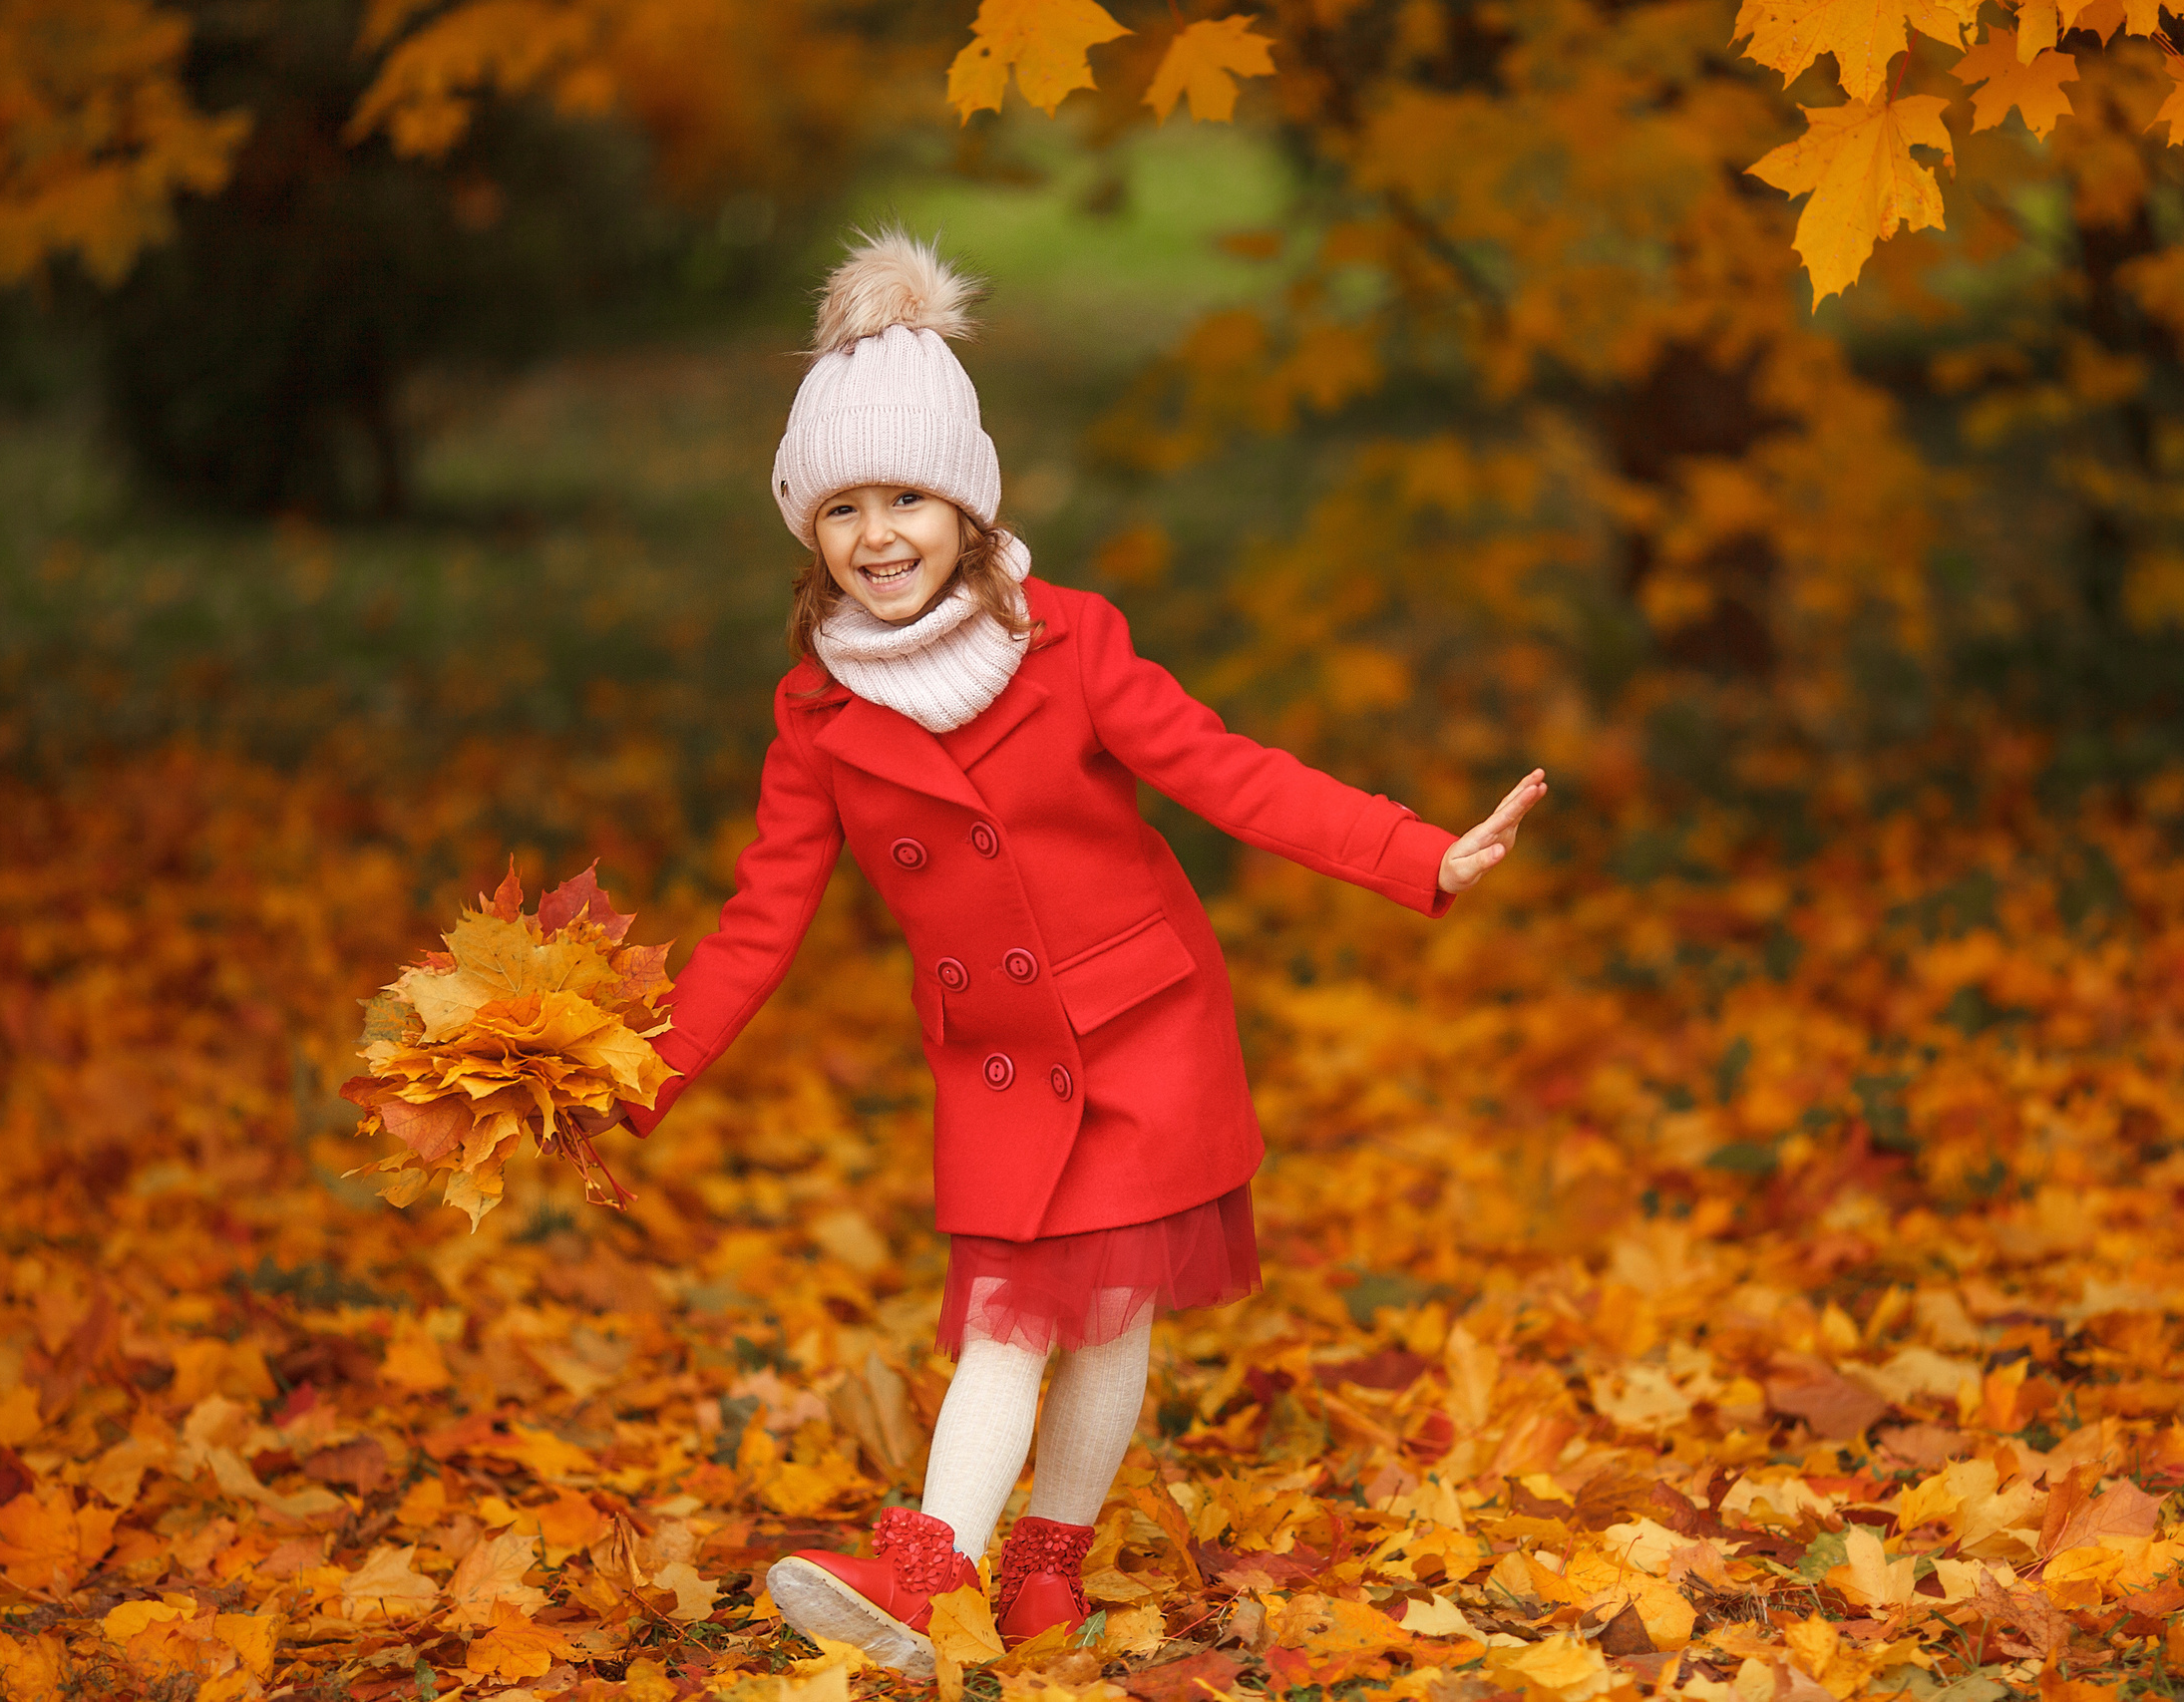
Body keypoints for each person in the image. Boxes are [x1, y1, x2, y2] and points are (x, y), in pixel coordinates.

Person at [570, 229, 1545, 1677]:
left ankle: (984, 1569)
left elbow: (1229, 773)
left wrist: (1416, 854)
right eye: (842, 508)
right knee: (1029, 1312)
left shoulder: (1072, 647)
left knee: (1081, 1317)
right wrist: (630, 1072)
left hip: (1143, 1029)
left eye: (909, 496)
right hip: (1006, 1063)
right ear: (805, 531)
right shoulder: (817, 718)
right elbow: (759, 918)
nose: (878, 533)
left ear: (968, 510)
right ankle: (977, 1575)